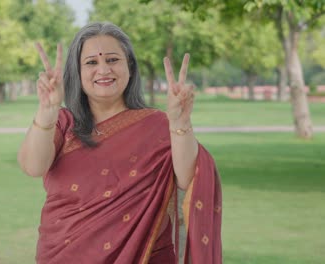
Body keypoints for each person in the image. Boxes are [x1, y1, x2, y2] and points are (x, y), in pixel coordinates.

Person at [17, 21, 222, 264]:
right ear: (77, 72)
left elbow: (190, 177)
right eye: (91, 62)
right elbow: (33, 166)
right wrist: (46, 111)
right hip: (64, 253)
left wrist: (179, 123)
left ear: (130, 67)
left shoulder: (157, 125)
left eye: (112, 60)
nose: (103, 70)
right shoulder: (62, 122)